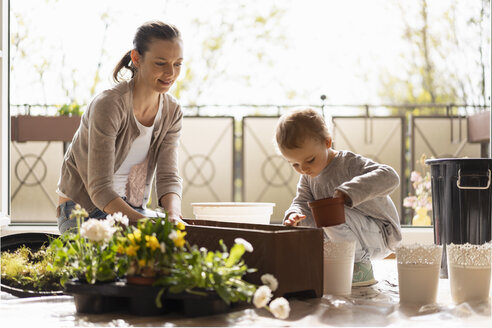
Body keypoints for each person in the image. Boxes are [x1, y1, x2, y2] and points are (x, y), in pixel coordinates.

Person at [56, 21, 185, 233]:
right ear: (136, 58)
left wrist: (173, 216)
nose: (170, 72)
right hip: (83, 212)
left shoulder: (172, 111)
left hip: (131, 210)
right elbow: (100, 189)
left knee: (188, 242)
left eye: (178, 64)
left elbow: (168, 177)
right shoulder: (109, 105)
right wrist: (147, 227)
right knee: (147, 251)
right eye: (161, 63)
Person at [275, 108, 402, 286]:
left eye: (310, 160)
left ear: (327, 142)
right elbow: (301, 201)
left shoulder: (348, 164)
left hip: (381, 234)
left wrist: (348, 192)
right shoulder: (307, 177)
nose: (303, 169)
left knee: (329, 213)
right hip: (346, 237)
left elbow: (390, 176)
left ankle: (360, 267)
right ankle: (335, 264)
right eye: (295, 164)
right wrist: (294, 214)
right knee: (307, 219)